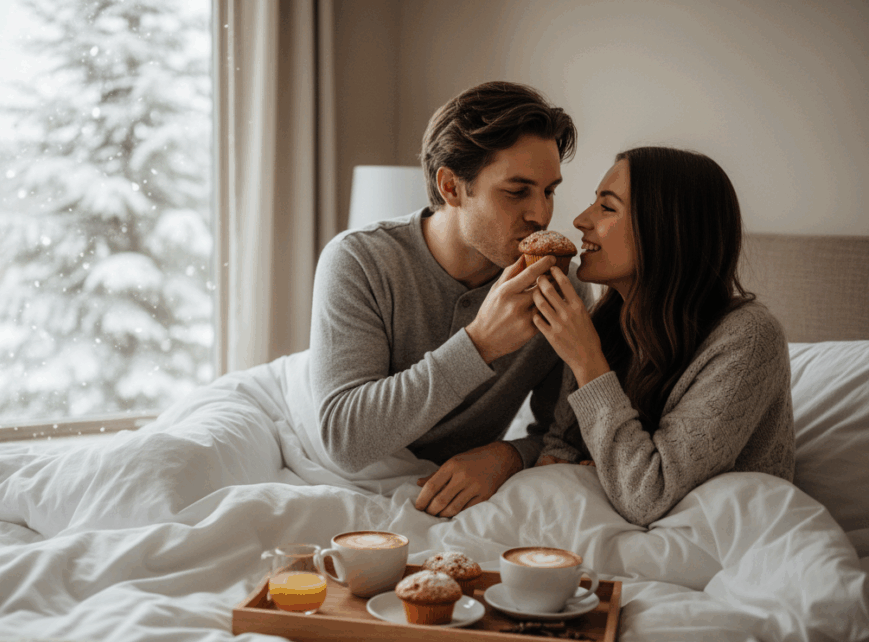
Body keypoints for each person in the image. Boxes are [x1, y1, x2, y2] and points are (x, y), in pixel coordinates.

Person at [308, 80, 586, 518]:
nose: (541, 215)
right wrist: (481, 344)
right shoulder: (359, 261)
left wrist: (508, 454)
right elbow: (345, 439)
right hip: (316, 427)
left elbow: (563, 434)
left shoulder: (559, 285)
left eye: (549, 191)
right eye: (517, 191)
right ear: (451, 187)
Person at [531, 146, 795, 526]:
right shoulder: (605, 323)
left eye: (607, 207)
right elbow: (560, 449)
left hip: (722, 539)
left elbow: (649, 495)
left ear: (667, 230)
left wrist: (588, 362)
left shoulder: (750, 339)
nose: (580, 220)